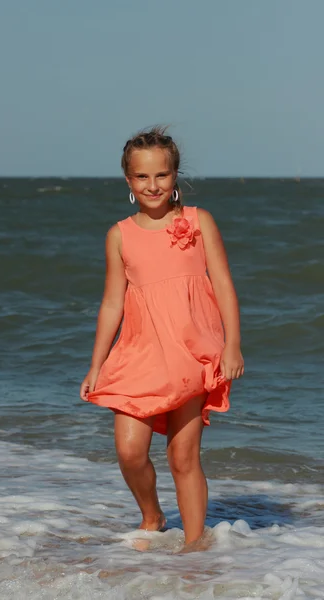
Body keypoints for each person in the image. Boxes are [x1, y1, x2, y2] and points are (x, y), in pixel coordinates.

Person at [80, 127, 244, 548]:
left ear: (175, 176)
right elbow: (112, 303)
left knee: (182, 456)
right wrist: (96, 365)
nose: (152, 185)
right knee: (130, 452)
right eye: (142, 177)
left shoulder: (198, 222)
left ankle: (194, 548)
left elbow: (223, 284)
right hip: (138, 354)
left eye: (161, 175)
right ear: (128, 181)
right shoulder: (119, 235)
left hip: (191, 353)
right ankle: (152, 516)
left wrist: (232, 345)